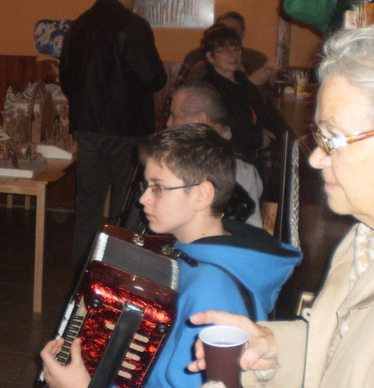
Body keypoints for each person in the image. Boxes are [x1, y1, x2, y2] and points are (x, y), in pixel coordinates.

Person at [41, 124, 301, 388]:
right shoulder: (185, 253)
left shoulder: (212, 291)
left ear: (202, 195)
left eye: (158, 187)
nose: (143, 198)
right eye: (146, 186)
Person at [189, 25, 374, 388]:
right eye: (319, 136)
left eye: (334, 137)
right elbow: (339, 346)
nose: (316, 159)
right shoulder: (361, 240)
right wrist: (273, 345)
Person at [59, 0, 167, 271]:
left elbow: (66, 77)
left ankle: (83, 269)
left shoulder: (78, 25)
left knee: (89, 202)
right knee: (127, 203)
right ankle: (119, 270)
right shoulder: (133, 25)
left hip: (87, 127)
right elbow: (154, 77)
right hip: (127, 130)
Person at [167, 82, 263, 227]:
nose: (168, 123)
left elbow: (248, 230)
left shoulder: (237, 169)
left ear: (199, 120)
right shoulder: (177, 154)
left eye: (174, 116)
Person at [201, 24, 274, 164]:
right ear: (210, 57)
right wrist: (257, 138)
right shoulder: (210, 88)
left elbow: (261, 114)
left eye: (237, 49)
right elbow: (217, 133)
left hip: (252, 155)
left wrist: (265, 133)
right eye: (225, 50)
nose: (234, 55)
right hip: (226, 159)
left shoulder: (242, 80)